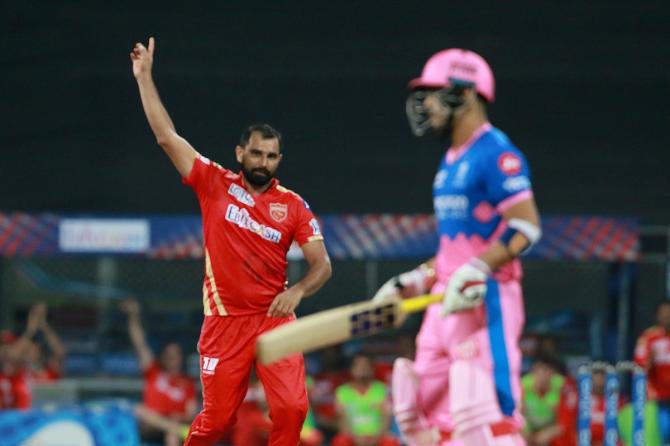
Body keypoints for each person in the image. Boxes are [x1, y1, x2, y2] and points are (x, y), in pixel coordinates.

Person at [130, 37, 332, 446]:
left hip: (275, 319)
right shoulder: (213, 183)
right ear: (240, 153)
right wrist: (144, 78)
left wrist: (298, 294)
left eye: (272, 157)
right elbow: (167, 137)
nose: (263, 163)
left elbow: (323, 265)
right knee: (218, 420)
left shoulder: (293, 205)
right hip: (225, 322)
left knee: (293, 410)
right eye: (256, 154)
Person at [373, 48, 541, 446]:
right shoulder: (450, 160)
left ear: (465, 94)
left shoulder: (495, 152)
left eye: (433, 93)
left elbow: (526, 226)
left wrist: (478, 268)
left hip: (487, 299)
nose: (426, 104)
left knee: (485, 416)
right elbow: (455, 251)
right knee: (423, 415)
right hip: (442, 299)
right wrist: (418, 278)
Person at [120, 298, 196, 446]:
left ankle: (174, 429)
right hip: (150, 424)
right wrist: (133, 317)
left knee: (172, 434)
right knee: (139, 410)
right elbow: (140, 344)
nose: (171, 358)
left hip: (173, 423)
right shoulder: (154, 371)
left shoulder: (188, 382)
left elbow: (190, 412)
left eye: (175, 355)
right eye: (168, 355)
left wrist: (176, 417)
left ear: (181, 358)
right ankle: (175, 429)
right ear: (162, 357)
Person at [332, 353, 400, 446]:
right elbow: (341, 420)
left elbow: (386, 417)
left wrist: (376, 438)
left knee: (390, 442)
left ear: (372, 369)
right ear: (351, 369)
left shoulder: (382, 389)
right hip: (353, 437)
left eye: (365, 366)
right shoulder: (342, 392)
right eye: (358, 366)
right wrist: (355, 438)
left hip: (377, 437)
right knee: (340, 441)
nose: (362, 369)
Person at [634, 300, 670, 443]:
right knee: (659, 437)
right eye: (664, 313)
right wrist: (650, 359)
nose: (667, 316)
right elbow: (639, 369)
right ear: (657, 316)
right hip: (657, 398)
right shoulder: (648, 337)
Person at [520, 356, 566, 446]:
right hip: (529, 428)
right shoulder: (522, 385)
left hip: (551, 428)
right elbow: (517, 414)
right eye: (537, 372)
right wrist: (526, 432)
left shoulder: (562, 386)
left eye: (545, 371)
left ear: (552, 373)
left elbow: (566, 419)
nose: (541, 376)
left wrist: (550, 431)